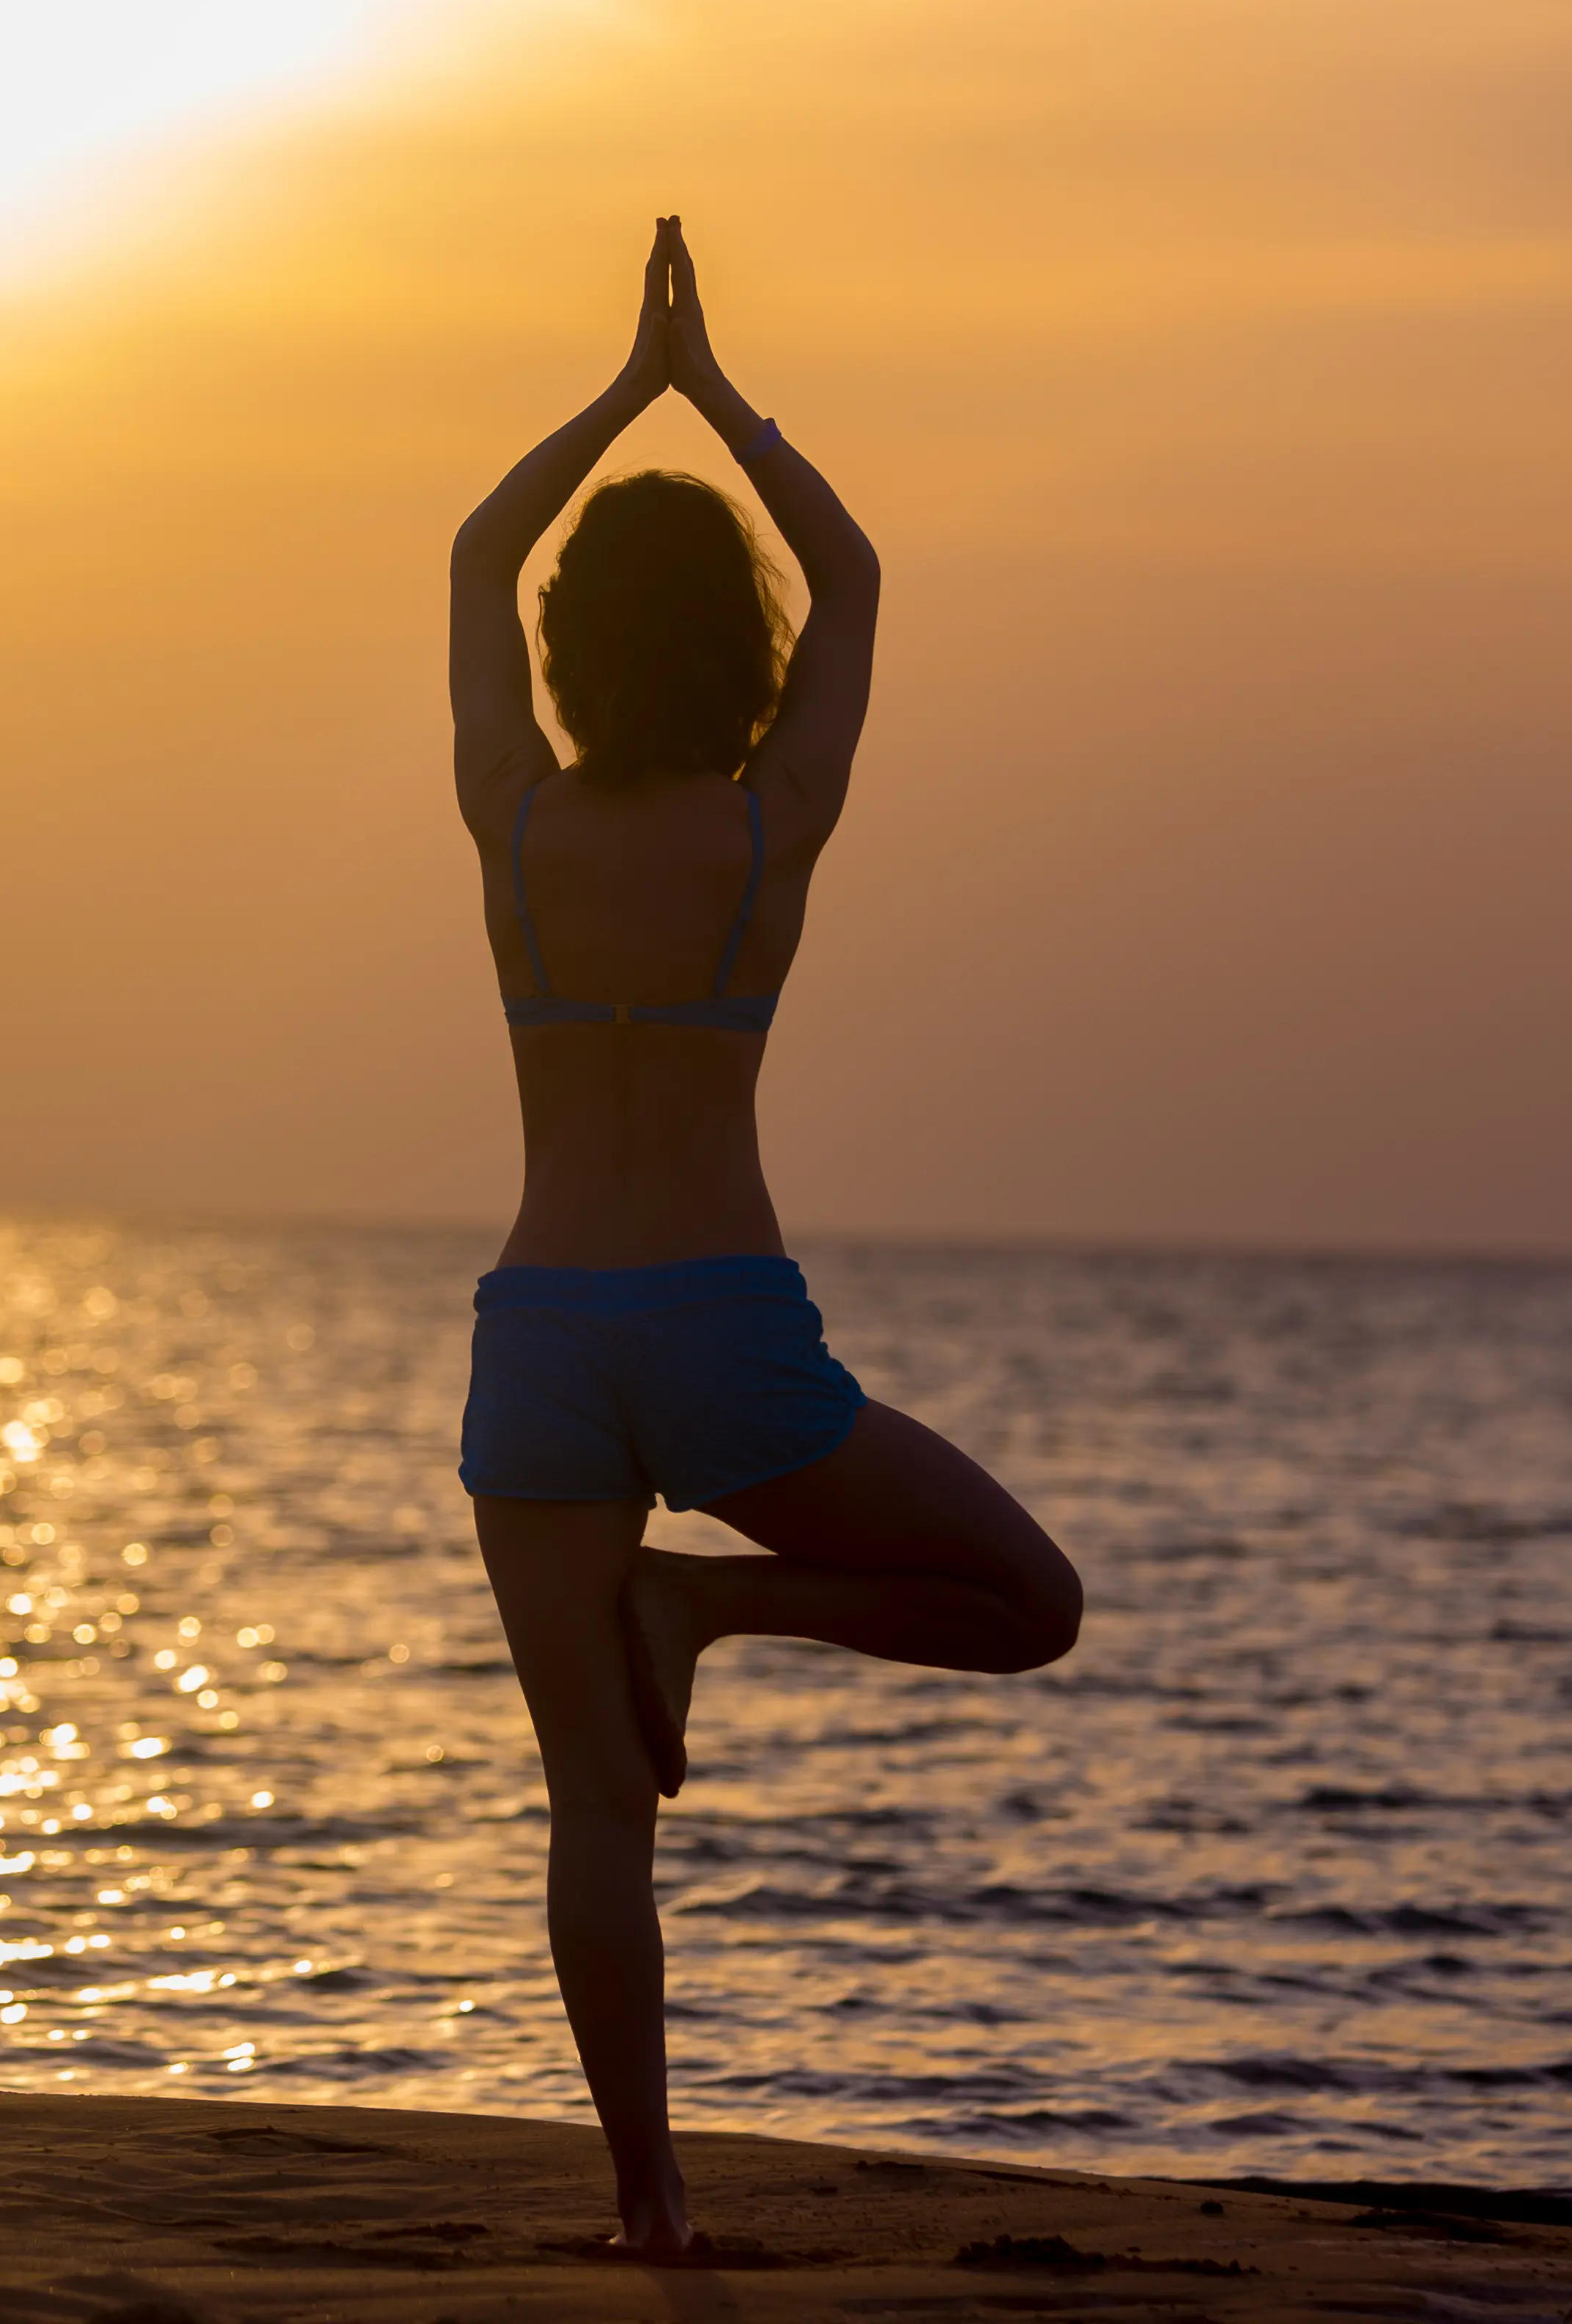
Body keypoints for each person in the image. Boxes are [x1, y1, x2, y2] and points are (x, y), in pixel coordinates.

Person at [450, 218, 1083, 2260]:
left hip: (545, 1327)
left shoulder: (516, 828)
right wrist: (716, 392)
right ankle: (708, 1611)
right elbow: (864, 578)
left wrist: (619, 398)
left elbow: (472, 558)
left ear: (569, 653)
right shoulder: (763, 834)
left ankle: (647, 2205)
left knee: (592, 1816)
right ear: (733, 655)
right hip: (720, 1326)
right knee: (1026, 1604)